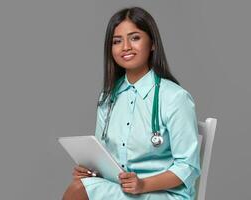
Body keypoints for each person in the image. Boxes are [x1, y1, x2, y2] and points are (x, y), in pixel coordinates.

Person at [63, 6, 200, 200]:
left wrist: (143, 185)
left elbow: (188, 167)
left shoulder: (174, 98)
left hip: (164, 195)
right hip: (121, 189)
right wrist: (91, 173)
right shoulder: (108, 97)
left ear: (152, 43)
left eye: (134, 38)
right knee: (81, 185)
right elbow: (102, 156)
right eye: (117, 41)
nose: (125, 47)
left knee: (78, 192)